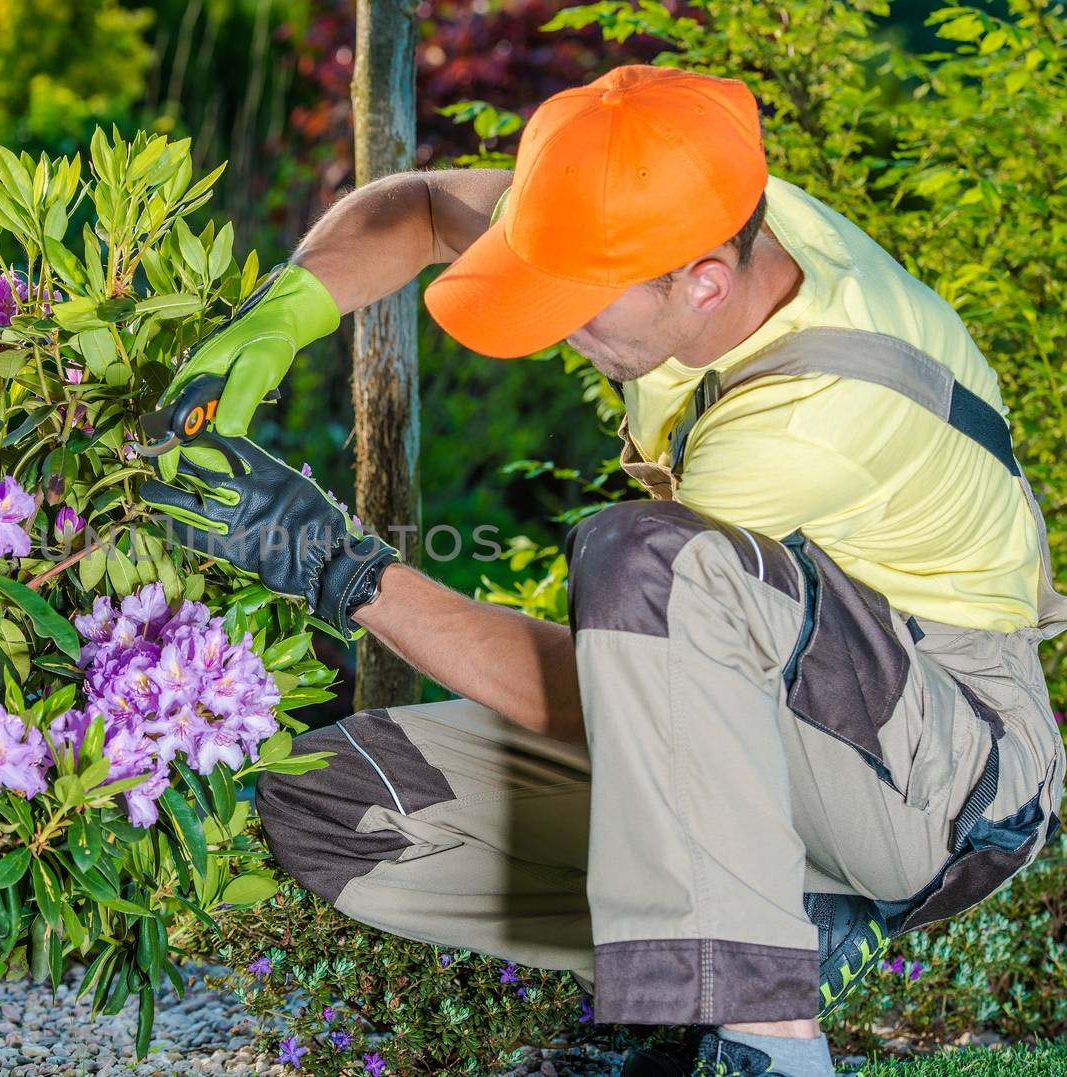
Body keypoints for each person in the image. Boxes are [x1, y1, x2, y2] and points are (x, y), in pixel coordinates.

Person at [138, 64, 1066, 1077]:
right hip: (783, 723)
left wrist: (330, 564)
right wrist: (271, 326)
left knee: (642, 557)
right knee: (330, 802)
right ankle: (780, 933)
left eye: (578, 302)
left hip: (950, 775)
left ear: (705, 280)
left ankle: (766, 1039)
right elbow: (412, 206)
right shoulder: (684, 211)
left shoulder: (808, 420)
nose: (552, 326)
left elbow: (622, 702)